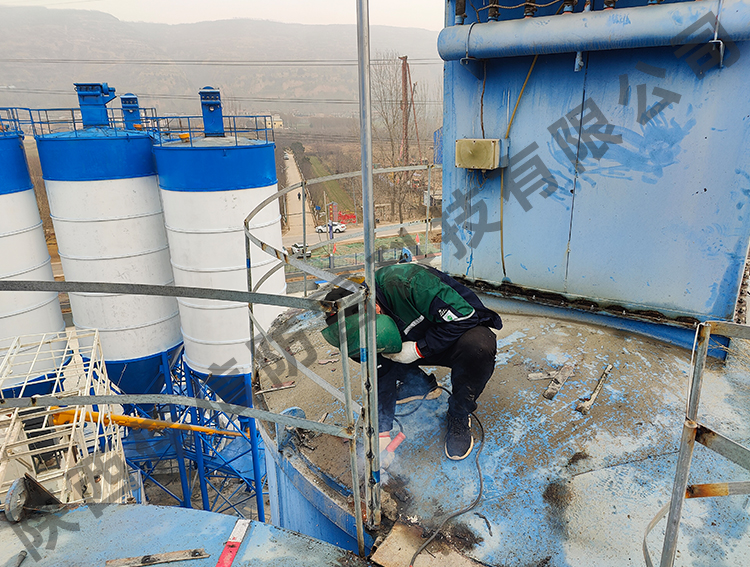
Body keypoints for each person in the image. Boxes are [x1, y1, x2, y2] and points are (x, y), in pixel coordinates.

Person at [324, 263, 501, 461]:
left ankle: (458, 414)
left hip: (455, 332)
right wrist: (382, 432)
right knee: (370, 349)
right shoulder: (354, 331)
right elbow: (379, 371)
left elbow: (465, 317)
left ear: (372, 305)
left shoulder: (410, 282)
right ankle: (422, 386)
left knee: (479, 347)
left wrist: (419, 349)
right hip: (415, 339)